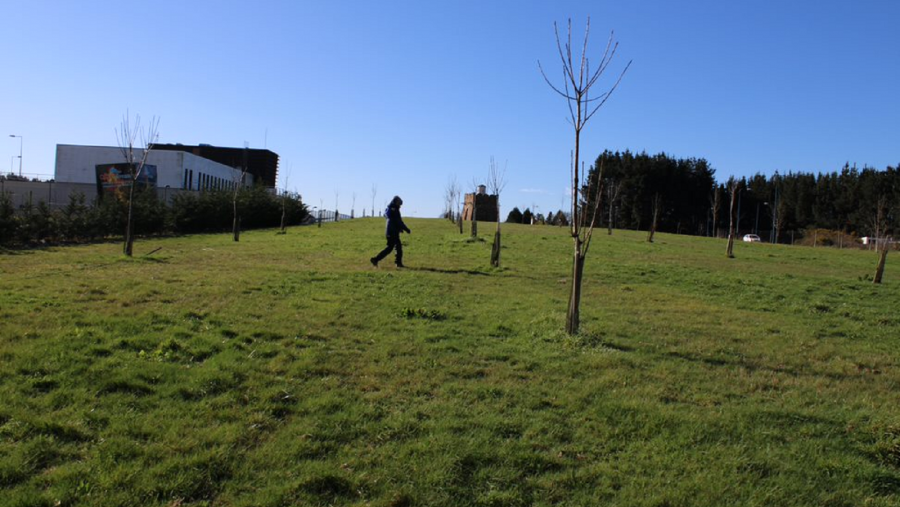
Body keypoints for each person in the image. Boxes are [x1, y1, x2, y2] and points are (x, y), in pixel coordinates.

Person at [371, 195, 411, 268]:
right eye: (399, 204)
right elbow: (398, 221)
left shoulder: (390, 209)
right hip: (393, 233)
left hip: (390, 232)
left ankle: (376, 259)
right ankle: (398, 263)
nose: (400, 206)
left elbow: (393, 221)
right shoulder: (394, 210)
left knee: (390, 248)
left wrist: (400, 229)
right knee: (398, 248)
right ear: (396, 202)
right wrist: (406, 229)